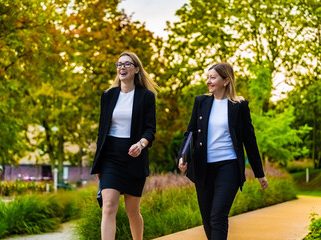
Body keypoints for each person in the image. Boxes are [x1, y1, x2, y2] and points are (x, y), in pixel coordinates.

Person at [178, 63, 268, 240]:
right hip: (203, 167)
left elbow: (249, 140)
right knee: (207, 219)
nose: (208, 81)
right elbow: (191, 132)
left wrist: (260, 173)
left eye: (213, 78)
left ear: (226, 80)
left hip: (228, 166)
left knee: (218, 215)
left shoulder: (239, 105)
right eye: (208, 77)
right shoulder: (201, 102)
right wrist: (183, 156)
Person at [91, 52, 157, 240]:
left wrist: (141, 144)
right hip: (110, 156)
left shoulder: (146, 97)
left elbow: (150, 129)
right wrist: (99, 161)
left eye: (127, 64)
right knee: (109, 206)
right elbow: (102, 131)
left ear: (136, 69)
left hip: (134, 156)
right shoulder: (108, 96)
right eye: (119, 64)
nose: (122, 67)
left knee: (132, 210)